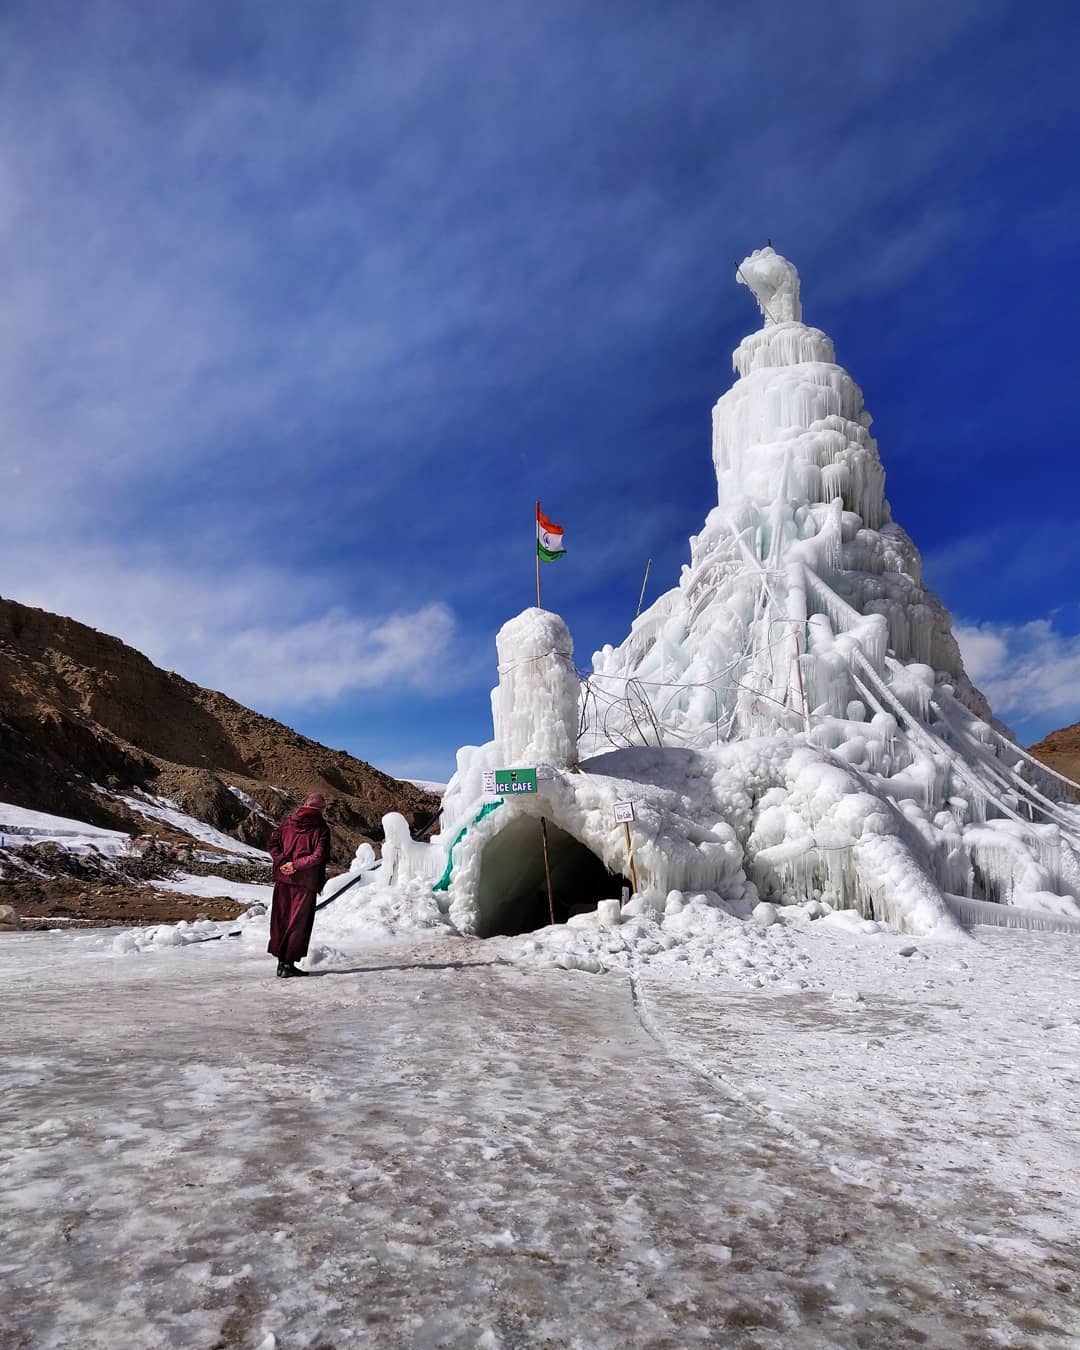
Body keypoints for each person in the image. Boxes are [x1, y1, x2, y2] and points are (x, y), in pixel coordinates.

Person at [267, 792, 332, 978]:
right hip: (305, 884)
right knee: (298, 924)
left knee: (281, 921)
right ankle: (288, 965)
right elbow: (317, 856)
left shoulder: (288, 822)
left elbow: (272, 844)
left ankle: (281, 965)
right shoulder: (321, 828)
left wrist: (283, 863)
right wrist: (295, 865)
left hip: (283, 879)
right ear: (321, 809)